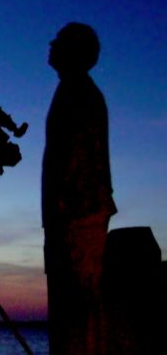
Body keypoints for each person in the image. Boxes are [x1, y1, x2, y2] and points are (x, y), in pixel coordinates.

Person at [42, 22, 117, 355]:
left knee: (77, 310)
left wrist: (63, 210)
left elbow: (74, 158)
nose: (52, 44)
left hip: (77, 218)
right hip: (74, 216)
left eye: (59, 41)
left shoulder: (78, 93)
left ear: (74, 51)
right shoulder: (75, 90)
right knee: (75, 310)